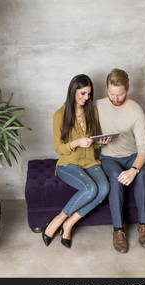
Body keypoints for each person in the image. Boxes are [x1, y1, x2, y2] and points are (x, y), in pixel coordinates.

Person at [42, 74, 109, 248]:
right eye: (82, 93)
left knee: (104, 189)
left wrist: (99, 142)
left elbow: (92, 144)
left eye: (89, 94)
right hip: (68, 164)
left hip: (90, 162)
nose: (86, 98)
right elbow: (59, 148)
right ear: (73, 91)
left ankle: (69, 224)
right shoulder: (59, 115)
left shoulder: (91, 110)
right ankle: (58, 220)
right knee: (91, 188)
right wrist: (76, 142)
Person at [96, 68, 145, 253]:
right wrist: (98, 142)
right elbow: (87, 138)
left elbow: (144, 148)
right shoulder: (98, 106)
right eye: (112, 94)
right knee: (115, 176)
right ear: (107, 89)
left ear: (127, 89)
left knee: (142, 174)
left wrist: (134, 169)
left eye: (120, 94)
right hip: (108, 157)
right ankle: (118, 230)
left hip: (131, 156)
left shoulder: (135, 109)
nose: (115, 98)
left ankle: (143, 225)